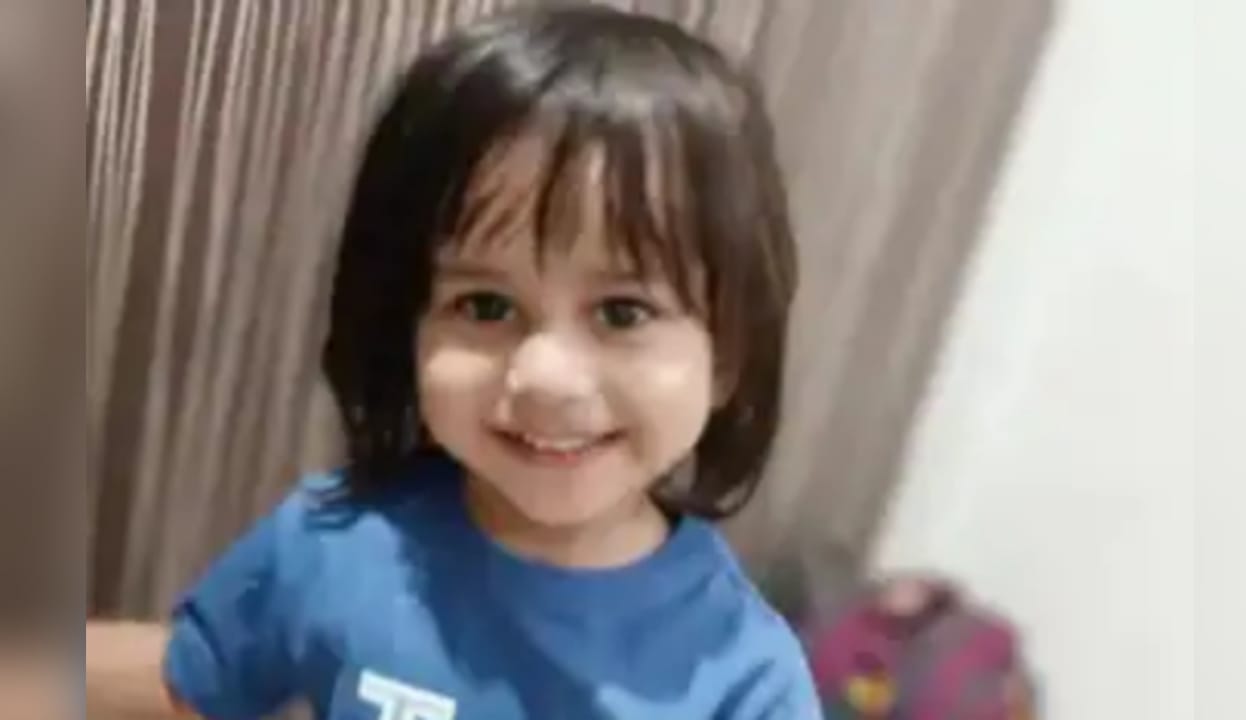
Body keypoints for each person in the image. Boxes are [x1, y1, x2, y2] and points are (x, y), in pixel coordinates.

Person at [84, 5, 819, 718]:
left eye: (623, 312)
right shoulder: (332, 544)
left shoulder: (750, 679)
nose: (545, 378)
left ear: (728, 355)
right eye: (486, 306)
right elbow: (189, 685)